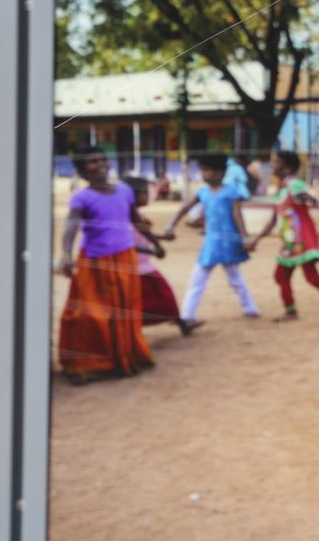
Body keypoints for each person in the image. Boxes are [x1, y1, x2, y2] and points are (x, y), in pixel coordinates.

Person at [57, 145, 154, 383]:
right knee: (88, 314)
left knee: (124, 311)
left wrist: (156, 243)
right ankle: (87, 365)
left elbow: (136, 221)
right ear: (82, 170)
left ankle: (124, 358)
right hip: (95, 262)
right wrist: (66, 254)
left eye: (102, 159)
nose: (100, 164)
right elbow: (71, 226)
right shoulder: (82, 197)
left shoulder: (124, 190)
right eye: (92, 161)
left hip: (125, 258)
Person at [247, 150, 319, 323]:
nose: (273, 166)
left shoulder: (294, 184)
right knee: (283, 276)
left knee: (310, 277)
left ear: (287, 168)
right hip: (291, 242)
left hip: (302, 239)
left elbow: (306, 197)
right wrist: (256, 239)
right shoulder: (281, 189)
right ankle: (292, 310)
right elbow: (273, 220)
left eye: (277, 162)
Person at [161, 152, 258, 332]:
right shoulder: (202, 192)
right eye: (202, 170)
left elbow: (237, 214)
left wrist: (245, 238)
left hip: (228, 241)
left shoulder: (231, 192)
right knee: (202, 276)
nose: (203, 174)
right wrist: (171, 225)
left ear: (220, 172)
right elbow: (185, 208)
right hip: (212, 242)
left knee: (233, 277)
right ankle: (188, 315)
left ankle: (249, 307)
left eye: (207, 170)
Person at [124, 176, 186, 335]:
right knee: (155, 297)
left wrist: (162, 238)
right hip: (135, 266)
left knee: (162, 295)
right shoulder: (125, 218)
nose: (148, 196)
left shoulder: (137, 215)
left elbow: (143, 234)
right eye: (144, 193)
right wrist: (152, 250)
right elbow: (129, 245)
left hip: (144, 265)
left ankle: (180, 321)